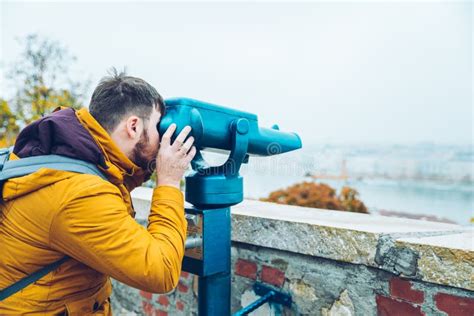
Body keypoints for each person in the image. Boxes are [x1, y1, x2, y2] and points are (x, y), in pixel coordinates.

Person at [0, 70, 196, 315]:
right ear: (133, 126)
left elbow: (112, 182)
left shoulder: (62, 153)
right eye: (159, 126)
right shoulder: (80, 193)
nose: (164, 137)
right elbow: (161, 272)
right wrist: (168, 181)